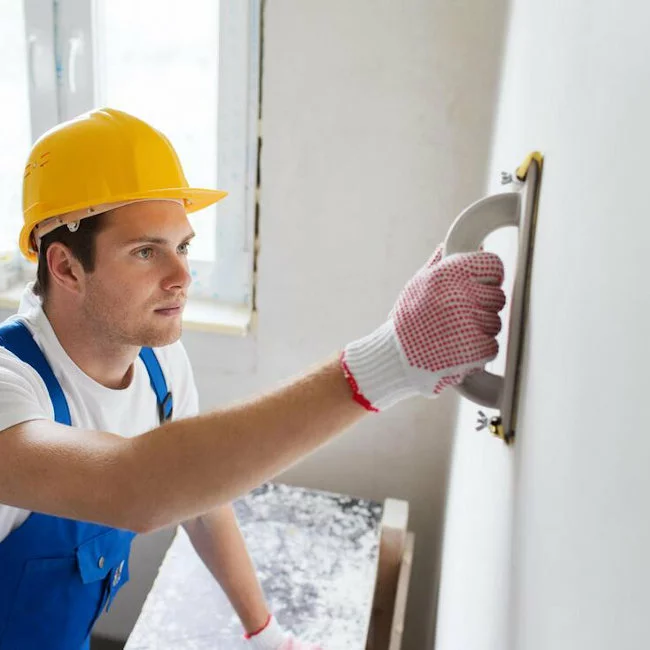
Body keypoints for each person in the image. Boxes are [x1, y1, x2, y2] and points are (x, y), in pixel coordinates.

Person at [0, 108, 506, 650]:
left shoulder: (157, 363)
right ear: (67, 267)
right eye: (146, 251)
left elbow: (195, 494)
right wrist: (384, 363)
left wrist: (264, 633)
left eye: (184, 247)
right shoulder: (12, 382)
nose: (182, 277)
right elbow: (134, 487)